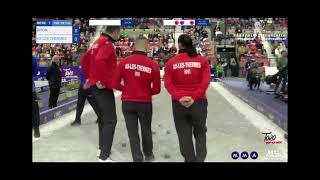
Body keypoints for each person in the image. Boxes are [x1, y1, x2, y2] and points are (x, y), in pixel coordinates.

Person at [112, 37, 161, 162]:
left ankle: (137, 158)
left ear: (133, 47)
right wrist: (144, 92)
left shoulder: (123, 62)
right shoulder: (153, 64)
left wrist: (128, 90)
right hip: (144, 103)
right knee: (146, 129)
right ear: (147, 47)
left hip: (127, 102)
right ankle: (148, 155)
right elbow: (156, 89)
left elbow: (115, 84)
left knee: (132, 132)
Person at [164, 34, 211, 162]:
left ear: (179, 45)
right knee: (200, 133)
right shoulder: (202, 61)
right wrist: (194, 97)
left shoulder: (171, 62)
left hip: (179, 104)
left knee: (184, 135)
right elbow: (206, 81)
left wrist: (179, 97)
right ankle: (200, 159)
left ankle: (189, 159)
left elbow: (168, 84)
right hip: (199, 103)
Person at [84, 26, 120, 162]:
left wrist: (90, 78)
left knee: (104, 118)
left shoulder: (96, 42)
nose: (119, 35)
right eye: (118, 33)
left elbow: (84, 62)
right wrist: (101, 80)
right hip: (102, 88)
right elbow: (99, 61)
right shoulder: (107, 44)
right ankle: (104, 156)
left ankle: (101, 148)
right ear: (114, 32)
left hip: (94, 86)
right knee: (111, 120)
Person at [32, 57, 40, 138]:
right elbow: (36, 72)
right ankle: (36, 130)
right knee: (34, 110)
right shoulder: (33, 59)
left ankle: (36, 129)